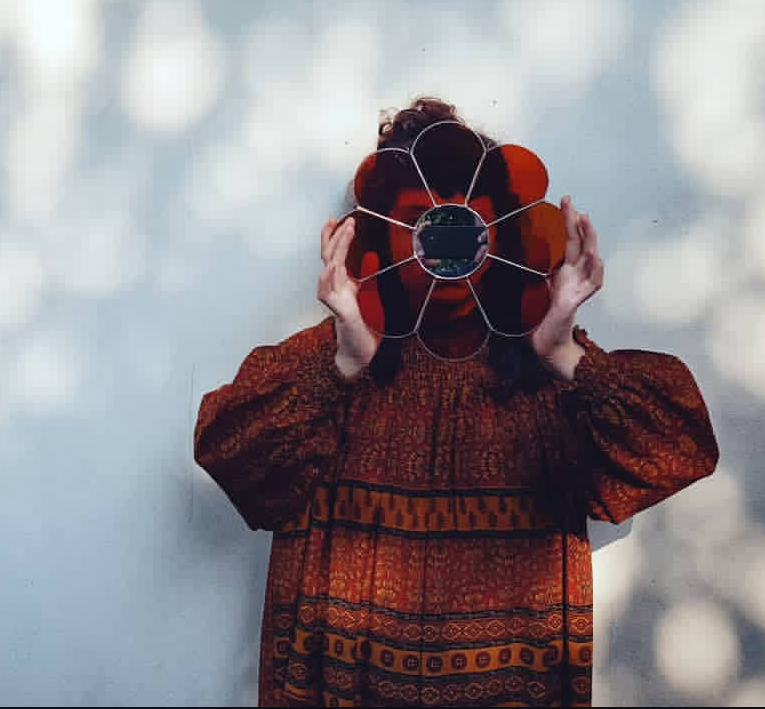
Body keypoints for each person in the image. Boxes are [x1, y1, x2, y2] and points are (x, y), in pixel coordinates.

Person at [194, 97, 720, 707]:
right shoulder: (335, 355)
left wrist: (566, 354)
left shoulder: (550, 365)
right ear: (385, 235)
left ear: (503, 232)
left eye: (467, 225)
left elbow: (679, 450)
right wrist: (341, 365)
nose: (446, 253)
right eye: (424, 225)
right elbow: (230, 457)